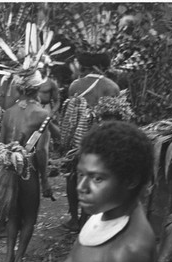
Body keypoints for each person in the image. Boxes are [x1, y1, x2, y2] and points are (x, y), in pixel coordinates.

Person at [49, 121, 156, 262]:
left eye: (97, 178)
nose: (81, 187)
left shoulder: (127, 251)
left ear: (130, 180)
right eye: (81, 174)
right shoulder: (106, 211)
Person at [0, 70, 53, 262]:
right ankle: (18, 261)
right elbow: (41, 151)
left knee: (14, 215)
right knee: (30, 217)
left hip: (8, 169)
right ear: (37, 88)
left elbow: (2, 144)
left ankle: (8, 258)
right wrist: (44, 180)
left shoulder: (8, 112)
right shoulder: (42, 114)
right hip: (28, 170)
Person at [62, 53, 120, 233]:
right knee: (96, 177)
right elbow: (115, 119)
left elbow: (70, 115)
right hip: (101, 140)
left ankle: (73, 218)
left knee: (72, 176)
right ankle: (88, 220)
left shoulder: (75, 86)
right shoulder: (112, 87)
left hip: (77, 140)